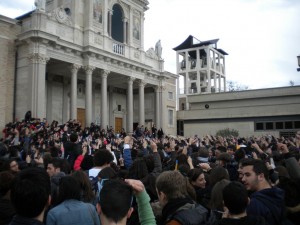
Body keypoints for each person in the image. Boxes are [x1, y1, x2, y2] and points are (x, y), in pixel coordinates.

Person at [241, 159, 285, 225]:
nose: (243, 179)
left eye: (247, 175)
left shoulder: (254, 204)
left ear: (261, 176)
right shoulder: (280, 193)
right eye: (243, 175)